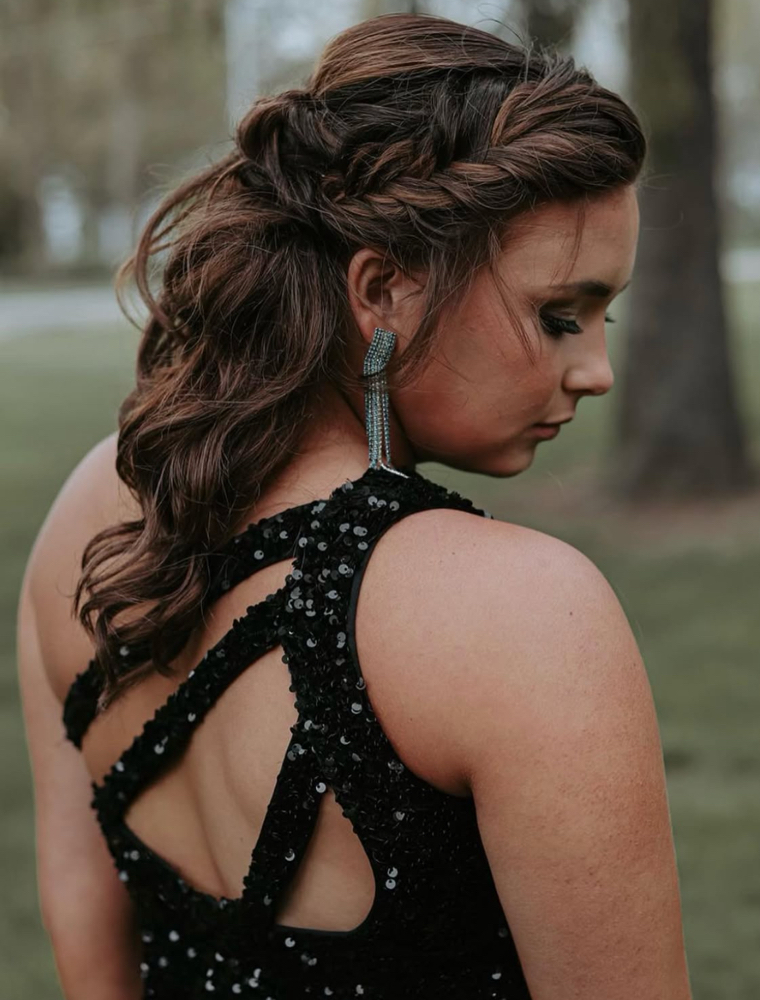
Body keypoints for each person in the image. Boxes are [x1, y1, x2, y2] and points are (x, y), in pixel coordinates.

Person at [16, 12, 692, 1000]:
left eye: (603, 316)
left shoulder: (97, 510)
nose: (595, 371)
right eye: (558, 315)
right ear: (383, 291)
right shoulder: (522, 618)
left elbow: (87, 938)